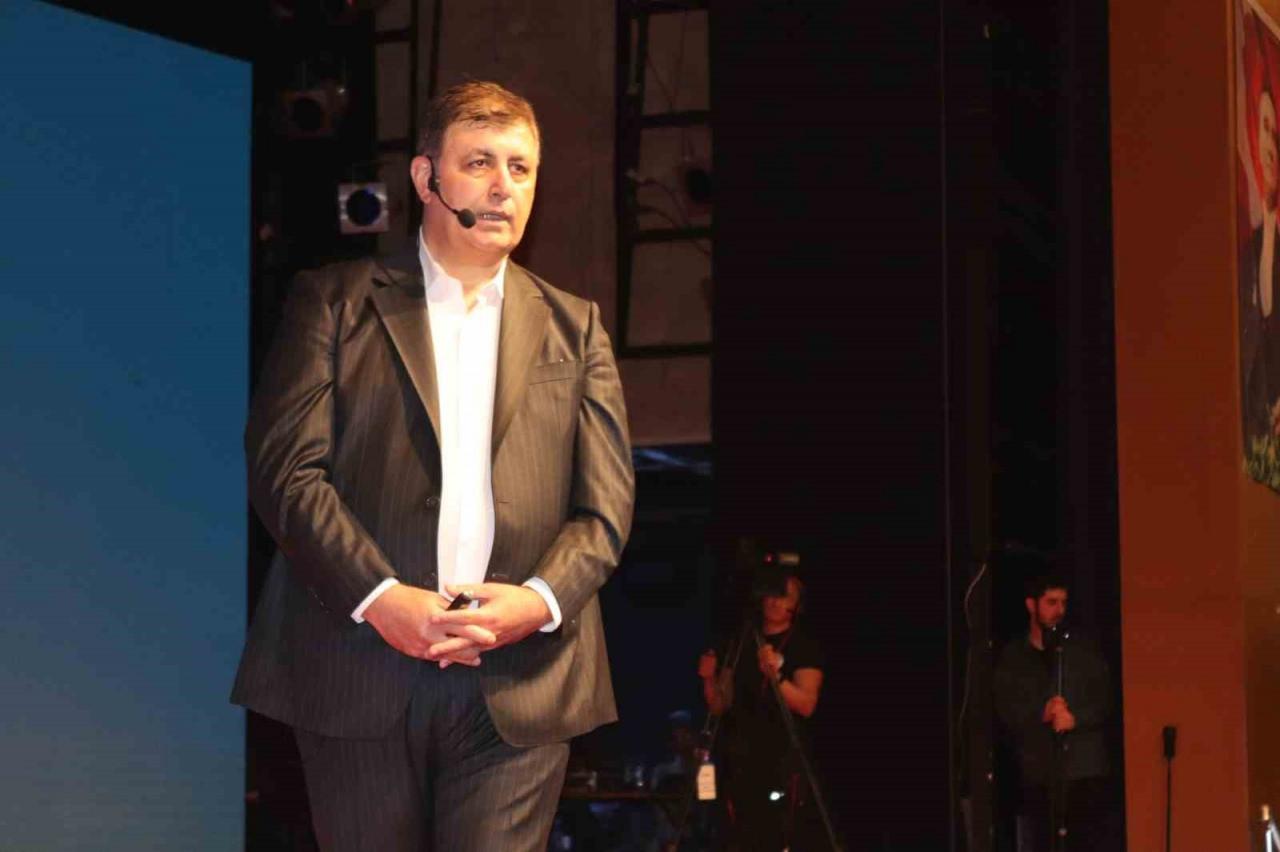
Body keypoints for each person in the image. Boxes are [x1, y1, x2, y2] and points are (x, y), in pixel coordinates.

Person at [230, 80, 635, 851]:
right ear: (426, 178)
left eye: (521, 168)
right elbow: (285, 470)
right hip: (358, 665)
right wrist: (381, 598)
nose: (503, 186)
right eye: (479, 163)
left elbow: (605, 509)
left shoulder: (577, 328)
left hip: (523, 679)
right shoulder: (335, 302)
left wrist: (539, 601)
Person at [698, 569, 824, 851]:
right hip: (740, 758)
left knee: (777, 835)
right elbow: (719, 704)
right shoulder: (742, 641)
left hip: (782, 760)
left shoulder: (804, 645)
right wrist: (708, 678)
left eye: (785, 596)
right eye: (772, 594)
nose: (775, 601)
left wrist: (775, 676)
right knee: (739, 836)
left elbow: (806, 704)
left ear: (796, 605)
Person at [993, 575, 1115, 852]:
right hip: (1038, 775)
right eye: (1051, 602)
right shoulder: (1014, 657)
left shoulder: (1083, 651)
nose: (1059, 610)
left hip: (1083, 773)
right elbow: (1004, 708)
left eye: (1063, 602)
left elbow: (1105, 700)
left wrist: (1075, 718)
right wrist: (1041, 712)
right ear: (1031, 605)